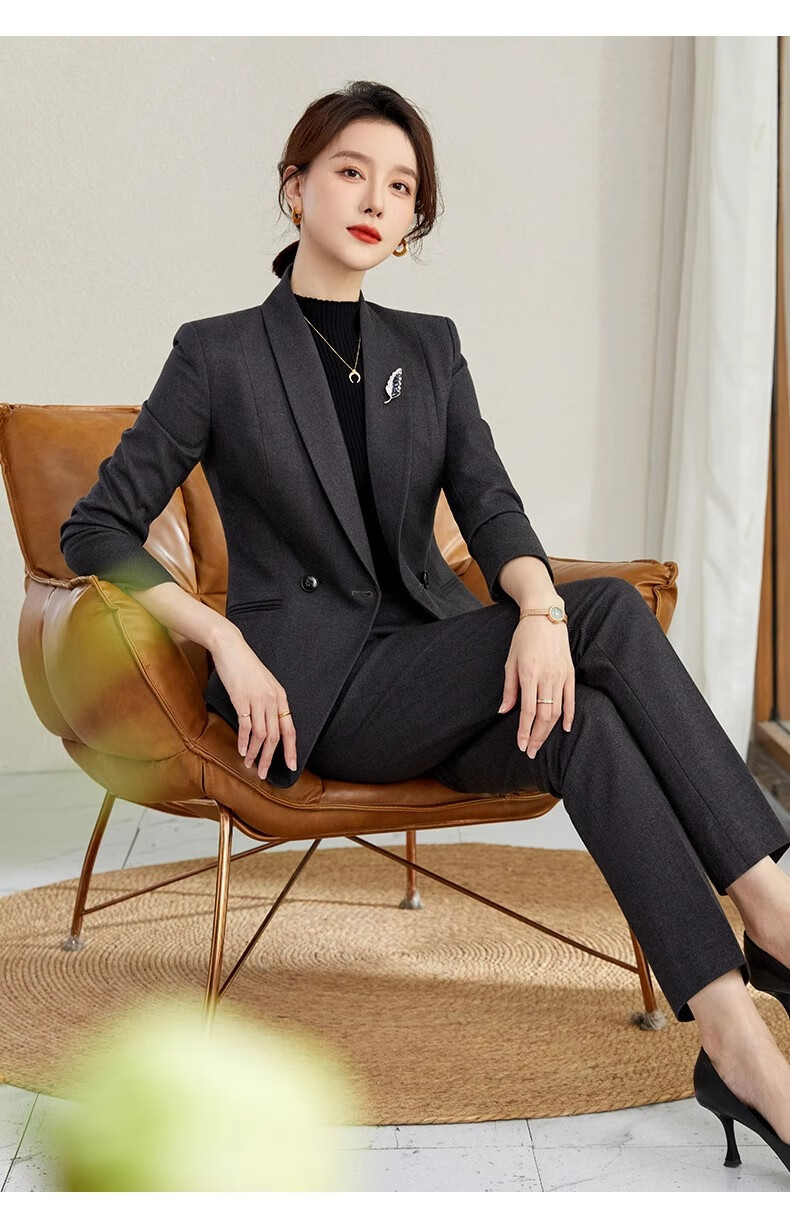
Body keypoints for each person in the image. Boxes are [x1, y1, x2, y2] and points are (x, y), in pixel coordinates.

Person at [60, 80, 790, 1169]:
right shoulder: (218, 354)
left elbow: (490, 505)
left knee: (584, 717)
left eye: (401, 188)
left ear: (411, 223)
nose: (376, 200)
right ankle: (774, 912)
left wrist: (531, 607)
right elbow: (95, 527)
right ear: (296, 188)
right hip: (325, 695)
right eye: (352, 172)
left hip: (441, 666)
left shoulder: (429, 347)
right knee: (600, 609)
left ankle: (736, 1042)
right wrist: (223, 640)